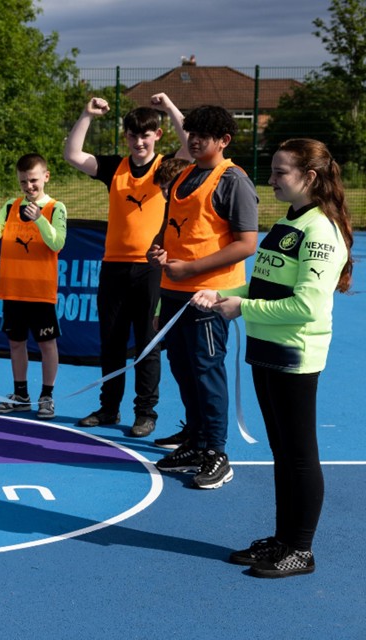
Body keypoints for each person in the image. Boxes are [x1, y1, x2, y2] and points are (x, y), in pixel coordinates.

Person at [191, 138, 352, 578]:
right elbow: (263, 284)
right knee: (283, 451)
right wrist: (225, 293)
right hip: (267, 350)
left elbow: (308, 307)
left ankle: (301, 549)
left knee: (299, 454)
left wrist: (240, 309)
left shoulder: (321, 230)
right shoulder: (288, 221)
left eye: (281, 172)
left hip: (294, 353)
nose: (272, 179)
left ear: (310, 178)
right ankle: (283, 540)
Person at [63, 94, 190, 438]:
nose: (139, 141)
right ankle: (108, 408)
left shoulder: (167, 167)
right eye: (133, 135)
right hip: (114, 268)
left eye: (145, 135)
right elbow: (72, 155)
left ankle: (145, 412)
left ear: (157, 135)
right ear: (126, 138)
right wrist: (86, 114)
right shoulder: (115, 168)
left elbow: (191, 147)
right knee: (112, 342)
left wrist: (170, 108)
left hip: (150, 270)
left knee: (147, 343)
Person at [147, 105, 258, 489]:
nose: (193, 140)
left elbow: (246, 244)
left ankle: (217, 452)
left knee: (207, 371)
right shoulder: (184, 176)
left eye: (202, 136)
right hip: (174, 293)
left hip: (209, 297)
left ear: (224, 141)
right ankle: (195, 439)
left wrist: (191, 270)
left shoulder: (233, 181)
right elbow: (171, 226)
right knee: (183, 368)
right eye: (190, 133)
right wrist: (158, 249)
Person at [0, 153, 68, 420]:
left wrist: (39, 218)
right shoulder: (10, 206)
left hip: (40, 291)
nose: (29, 187)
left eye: (33, 181)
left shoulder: (56, 208)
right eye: (23, 182)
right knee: (16, 344)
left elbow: (57, 243)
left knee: (47, 344)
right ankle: (20, 396)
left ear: (46, 177)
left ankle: (47, 397)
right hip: (13, 290)